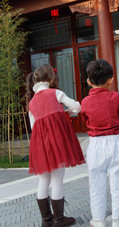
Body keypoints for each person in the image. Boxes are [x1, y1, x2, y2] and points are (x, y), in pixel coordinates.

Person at [26, 64, 85, 227]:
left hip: (40, 145)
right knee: (57, 179)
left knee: (43, 179)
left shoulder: (31, 103)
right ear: (50, 78)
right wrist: (68, 112)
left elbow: (34, 126)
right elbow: (77, 106)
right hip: (57, 142)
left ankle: (46, 220)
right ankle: (59, 220)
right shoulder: (55, 93)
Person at [81, 59, 119, 227]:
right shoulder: (114, 97)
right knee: (117, 181)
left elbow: (84, 118)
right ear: (111, 79)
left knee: (96, 182)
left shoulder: (85, 102)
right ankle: (118, 219)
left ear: (89, 81)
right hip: (114, 142)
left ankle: (98, 220)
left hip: (95, 144)